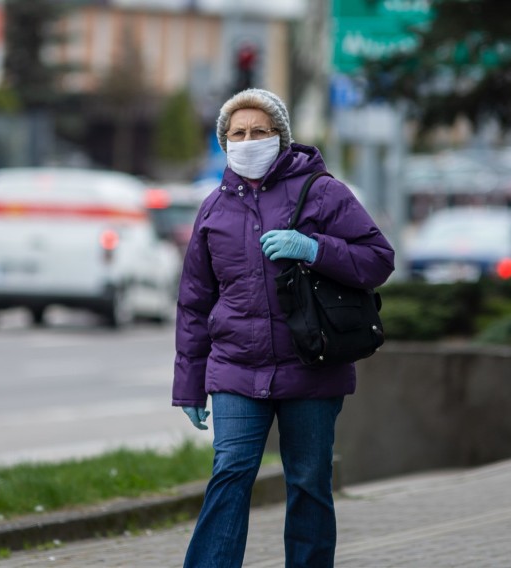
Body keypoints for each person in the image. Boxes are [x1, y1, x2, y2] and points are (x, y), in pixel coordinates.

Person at [172, 88, 395, 567]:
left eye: (259, 131)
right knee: (230, 470)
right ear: (224, 142)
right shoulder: (214, 207)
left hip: (311, 364)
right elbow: (194, 303)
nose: (248, 141)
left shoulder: (324, 192)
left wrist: (314, 248)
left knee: (309, 482)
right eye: (238, 134)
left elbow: (378, 260)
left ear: (282, 138)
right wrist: (189, 386)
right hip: (236, 367)